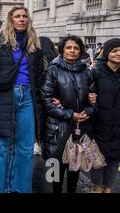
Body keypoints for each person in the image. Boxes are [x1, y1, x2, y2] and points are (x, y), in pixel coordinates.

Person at [0, 6, 44, 193]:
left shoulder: (34, 44)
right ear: (10, 20)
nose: (21, 19)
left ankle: (19, 188)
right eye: (17, 16)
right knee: (2, 146)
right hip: (4, 96)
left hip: (28, 97)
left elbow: (40, 76)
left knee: (25, 147)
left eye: (25, 16)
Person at [40, 35, 95, 193]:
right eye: (68, 47)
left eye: (76, 48)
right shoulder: (52, 70)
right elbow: (46, 100)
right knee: (55, 172)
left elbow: (93, 99)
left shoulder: (86, 71)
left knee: (74, 171)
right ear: (62, 50)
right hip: (57, 129)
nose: (72, 51)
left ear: (80, 51)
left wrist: (89, 111)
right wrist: (70, 114)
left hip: (79, 130)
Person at [89, 38, 120, 193]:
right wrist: (89, 97)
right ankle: (96, 188)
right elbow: (86, 92)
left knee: (114, 162)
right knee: (97, 161)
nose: (119, 53)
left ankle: (108, 189)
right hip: (100, 125)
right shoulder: (96, 73)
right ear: (107, 53)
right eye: (114, 50)